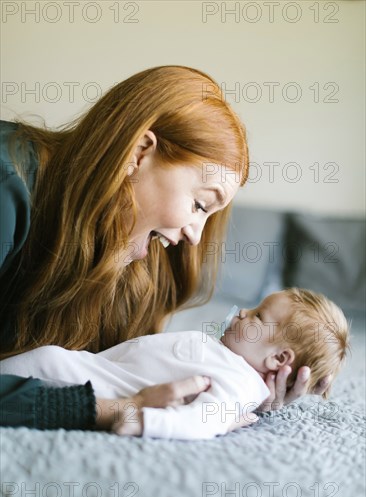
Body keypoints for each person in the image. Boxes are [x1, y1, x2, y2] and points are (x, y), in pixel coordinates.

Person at [0, 65, 330, 431]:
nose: (195, 236)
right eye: (200, 205)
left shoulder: (126, 257)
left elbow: (118, 368)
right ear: (139, 153)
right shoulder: (6, 188)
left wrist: (248, 385)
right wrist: (112, 410)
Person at [1, 288, 349, 439]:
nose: (243, 312)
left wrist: (145, 421)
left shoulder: (241, 384)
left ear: (278, 359)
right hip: (95, 367)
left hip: (92, 383)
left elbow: (203, 421)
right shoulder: (228, 357)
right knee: (47, 357)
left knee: (47, 360)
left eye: (258, 315)